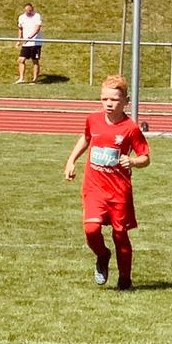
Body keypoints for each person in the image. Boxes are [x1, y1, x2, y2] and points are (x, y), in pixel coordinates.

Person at [63, 74, 151, 290]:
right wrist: (71, 161)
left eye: (114, 99)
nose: (109, 104)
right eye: (104, 99)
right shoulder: (93, 120)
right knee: (91, 230)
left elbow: (145, 157)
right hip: (94, 188)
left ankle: (124, 281)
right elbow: (86, 138)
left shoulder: (131, 128)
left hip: (119, 191)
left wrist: (133, 161)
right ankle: (103, 255)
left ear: (126, 101)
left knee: (120, 234)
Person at [15, 3, 43, 84]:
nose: (29, 12)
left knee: (35, 60)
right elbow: (20, 29)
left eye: (30, 10)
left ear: (32, 9)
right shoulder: (21, 17)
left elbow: (37, 28)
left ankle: (35, 79)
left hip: (35, 43)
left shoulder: (37, 16)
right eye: (27, 10)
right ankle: (21, 78)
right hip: (25, 43)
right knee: (21, 60)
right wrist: (19, 40)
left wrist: (29, 38)